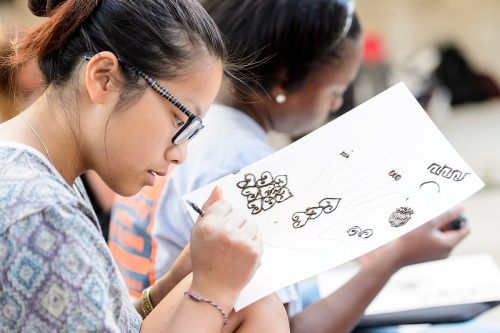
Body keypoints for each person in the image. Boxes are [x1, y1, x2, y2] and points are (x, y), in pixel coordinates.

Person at [108, 1, 500, 332]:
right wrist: (393, 258)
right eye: (334, 92)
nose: (334, 106)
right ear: (284, 78)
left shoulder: (196, 129)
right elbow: (289, 326)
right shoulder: (237, 160)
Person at [0, 0, 290, 331]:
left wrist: (180, 276)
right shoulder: (41, 214)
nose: (181, 154)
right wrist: (213, 290)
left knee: (254, 299)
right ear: (104, 78)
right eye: (180, 120)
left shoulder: (40, 174)